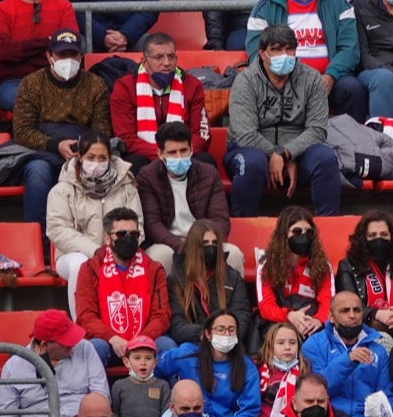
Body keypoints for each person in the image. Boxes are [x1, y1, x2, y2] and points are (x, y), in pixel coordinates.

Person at [226, 23, 340, 217]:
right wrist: (273, 154)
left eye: (289, 49)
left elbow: (318, 130)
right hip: (250, 152)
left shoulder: (311, 79)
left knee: (325, 158)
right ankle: (242, 230)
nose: (284, 55)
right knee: (251, 163)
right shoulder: (245, 82)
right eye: (276, 49)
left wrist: (287, 154)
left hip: (297, 153)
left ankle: (328, 230)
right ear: (262, 53)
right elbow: (245, 134)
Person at [244, 0, 366, 120]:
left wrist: (331, 76)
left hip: (331, 79)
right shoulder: (266, 6)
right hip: (285, 79)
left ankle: (357, 143)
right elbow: (256, 52)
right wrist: (289, 78)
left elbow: (350, 49)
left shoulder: (337, 1)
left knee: (353, 89)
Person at [12, 30, 112, 231]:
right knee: (37, 172)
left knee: (101, 168)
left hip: (83, 149)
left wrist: (83, 149)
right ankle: (38, 240)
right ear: (49, 56)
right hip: (43, 150)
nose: (68, 60)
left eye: (73, 55)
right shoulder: (31, 83)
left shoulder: (96, 85)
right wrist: (55, 145)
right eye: (61, 55)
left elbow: (102, 129)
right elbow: (22, 131)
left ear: (81, 56)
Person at [48, 131, 141, 316]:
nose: (96, 163)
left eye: (102, 158)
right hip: (73, 255)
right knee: (80, 264)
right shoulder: (62, 190)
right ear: (80, 157)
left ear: (110, 158)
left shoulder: (127, 186)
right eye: (91, 157)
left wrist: (117, 250)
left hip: (120, 252)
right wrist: (96, 252)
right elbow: (58, 230)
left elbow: (138, 223)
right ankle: (82, 327)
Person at [74, 207, 173, 367]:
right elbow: (86, 316)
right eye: (121, 234)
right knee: (95, 347)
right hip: (109, 342)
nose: (128, 238)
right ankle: (96, 392)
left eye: (134, 234)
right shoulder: (90, 269)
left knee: (167, 346)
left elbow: (161, 315)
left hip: (145, 341)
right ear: (107, 239)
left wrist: (142, 340)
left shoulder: (154, 269)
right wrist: (112, 337)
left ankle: (170, 392)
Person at [139, 122, 235, 273]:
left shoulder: (209, 173)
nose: (179, 157)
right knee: (159, 256)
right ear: (160, 153)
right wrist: (183, 247)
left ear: (191, 149)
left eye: (184, 150)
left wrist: (207, 243)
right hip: (167, 242)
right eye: (172, 152)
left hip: (204, 239)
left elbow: (221, 219)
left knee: (234, 255)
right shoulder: (148, 176)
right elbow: (152, 224)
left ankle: (230, 297)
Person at [110, 32, 210, 172]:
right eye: (158, 57)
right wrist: (163, 154)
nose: (167, 63)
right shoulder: (125, 87)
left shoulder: (192, 86)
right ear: (144, 62)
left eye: (171, 57)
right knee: (134, 164)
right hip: (144, 155)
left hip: (183, 153)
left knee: (205, 161)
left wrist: (178, 152)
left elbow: (201, 135)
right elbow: (126, 137)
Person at [301, 291, 393, 417]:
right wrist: (348, 360)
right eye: (345, 310)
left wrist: (391, 415)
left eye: (357, 310)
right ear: (331, 317)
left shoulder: (378, 350)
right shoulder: (313, 345)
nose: (352, 315)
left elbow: (388, 393)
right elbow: (316, 391)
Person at [157, 310, 261, 417]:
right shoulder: (186, 354)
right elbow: (154, 369)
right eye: (220, 329)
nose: (226, 334)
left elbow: (249, 409)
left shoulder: (247, 367)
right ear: (207, 333)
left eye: (231, 329)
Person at [168, 219, 254, 348]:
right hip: (194, 344)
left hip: (228, 345)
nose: (211, 247)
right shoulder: (176, 280)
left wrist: (226, 334)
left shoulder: (232, 277)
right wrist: (206, 334)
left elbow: (242, 314)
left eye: (214, 243)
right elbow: (177, 324)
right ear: (193, 247)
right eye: (205, 243)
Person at [335, 210, 393, 342]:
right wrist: (376, 314)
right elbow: (346, 303)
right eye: (372, 235)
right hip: (367, 327)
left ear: (392, 237)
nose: (378, 239)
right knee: (383, 341)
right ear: (363, 239)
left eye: (384, 234)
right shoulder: (348, 266)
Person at [256, 207, 333, 342]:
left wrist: (318, 320)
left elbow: (328, 301)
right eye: (297, 231)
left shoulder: (323, 265)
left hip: (312, 324)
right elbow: (265, 306)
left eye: (309, 232)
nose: (303, 236)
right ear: (284, 234)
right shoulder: (267, 264)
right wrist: (289, 315)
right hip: (278, 323)